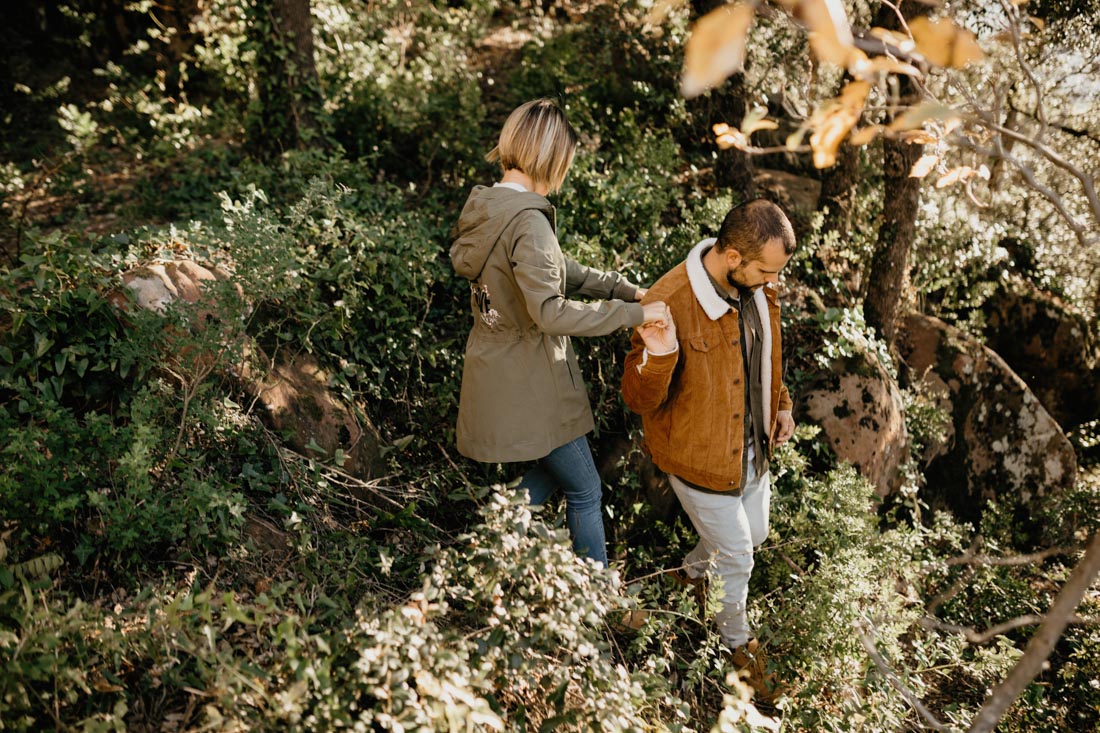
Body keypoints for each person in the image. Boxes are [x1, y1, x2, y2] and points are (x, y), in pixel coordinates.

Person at [450, 98, 667, 568]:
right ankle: (595, 596)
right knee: (585, 489)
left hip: (497, 372)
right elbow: (550, 312)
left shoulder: (491, 206)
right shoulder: (528, 220)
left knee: (557, 474)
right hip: (532, 381)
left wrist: (625, 290)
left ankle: (487, 548)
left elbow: (553, 268)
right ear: (550, 158)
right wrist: (632, 314)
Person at [620, 198, 796, 697]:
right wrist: (660, 354)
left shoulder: (759, 285)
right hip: (698, 459)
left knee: (754, 534)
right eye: (766, 270)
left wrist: (781, 404)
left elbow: (767, 351)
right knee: (738, 557)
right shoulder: (669, 299)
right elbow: (637, 398)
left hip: (753, 450)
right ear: (733, 257)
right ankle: (738, 650)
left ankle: (692, 575)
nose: (773, 281)